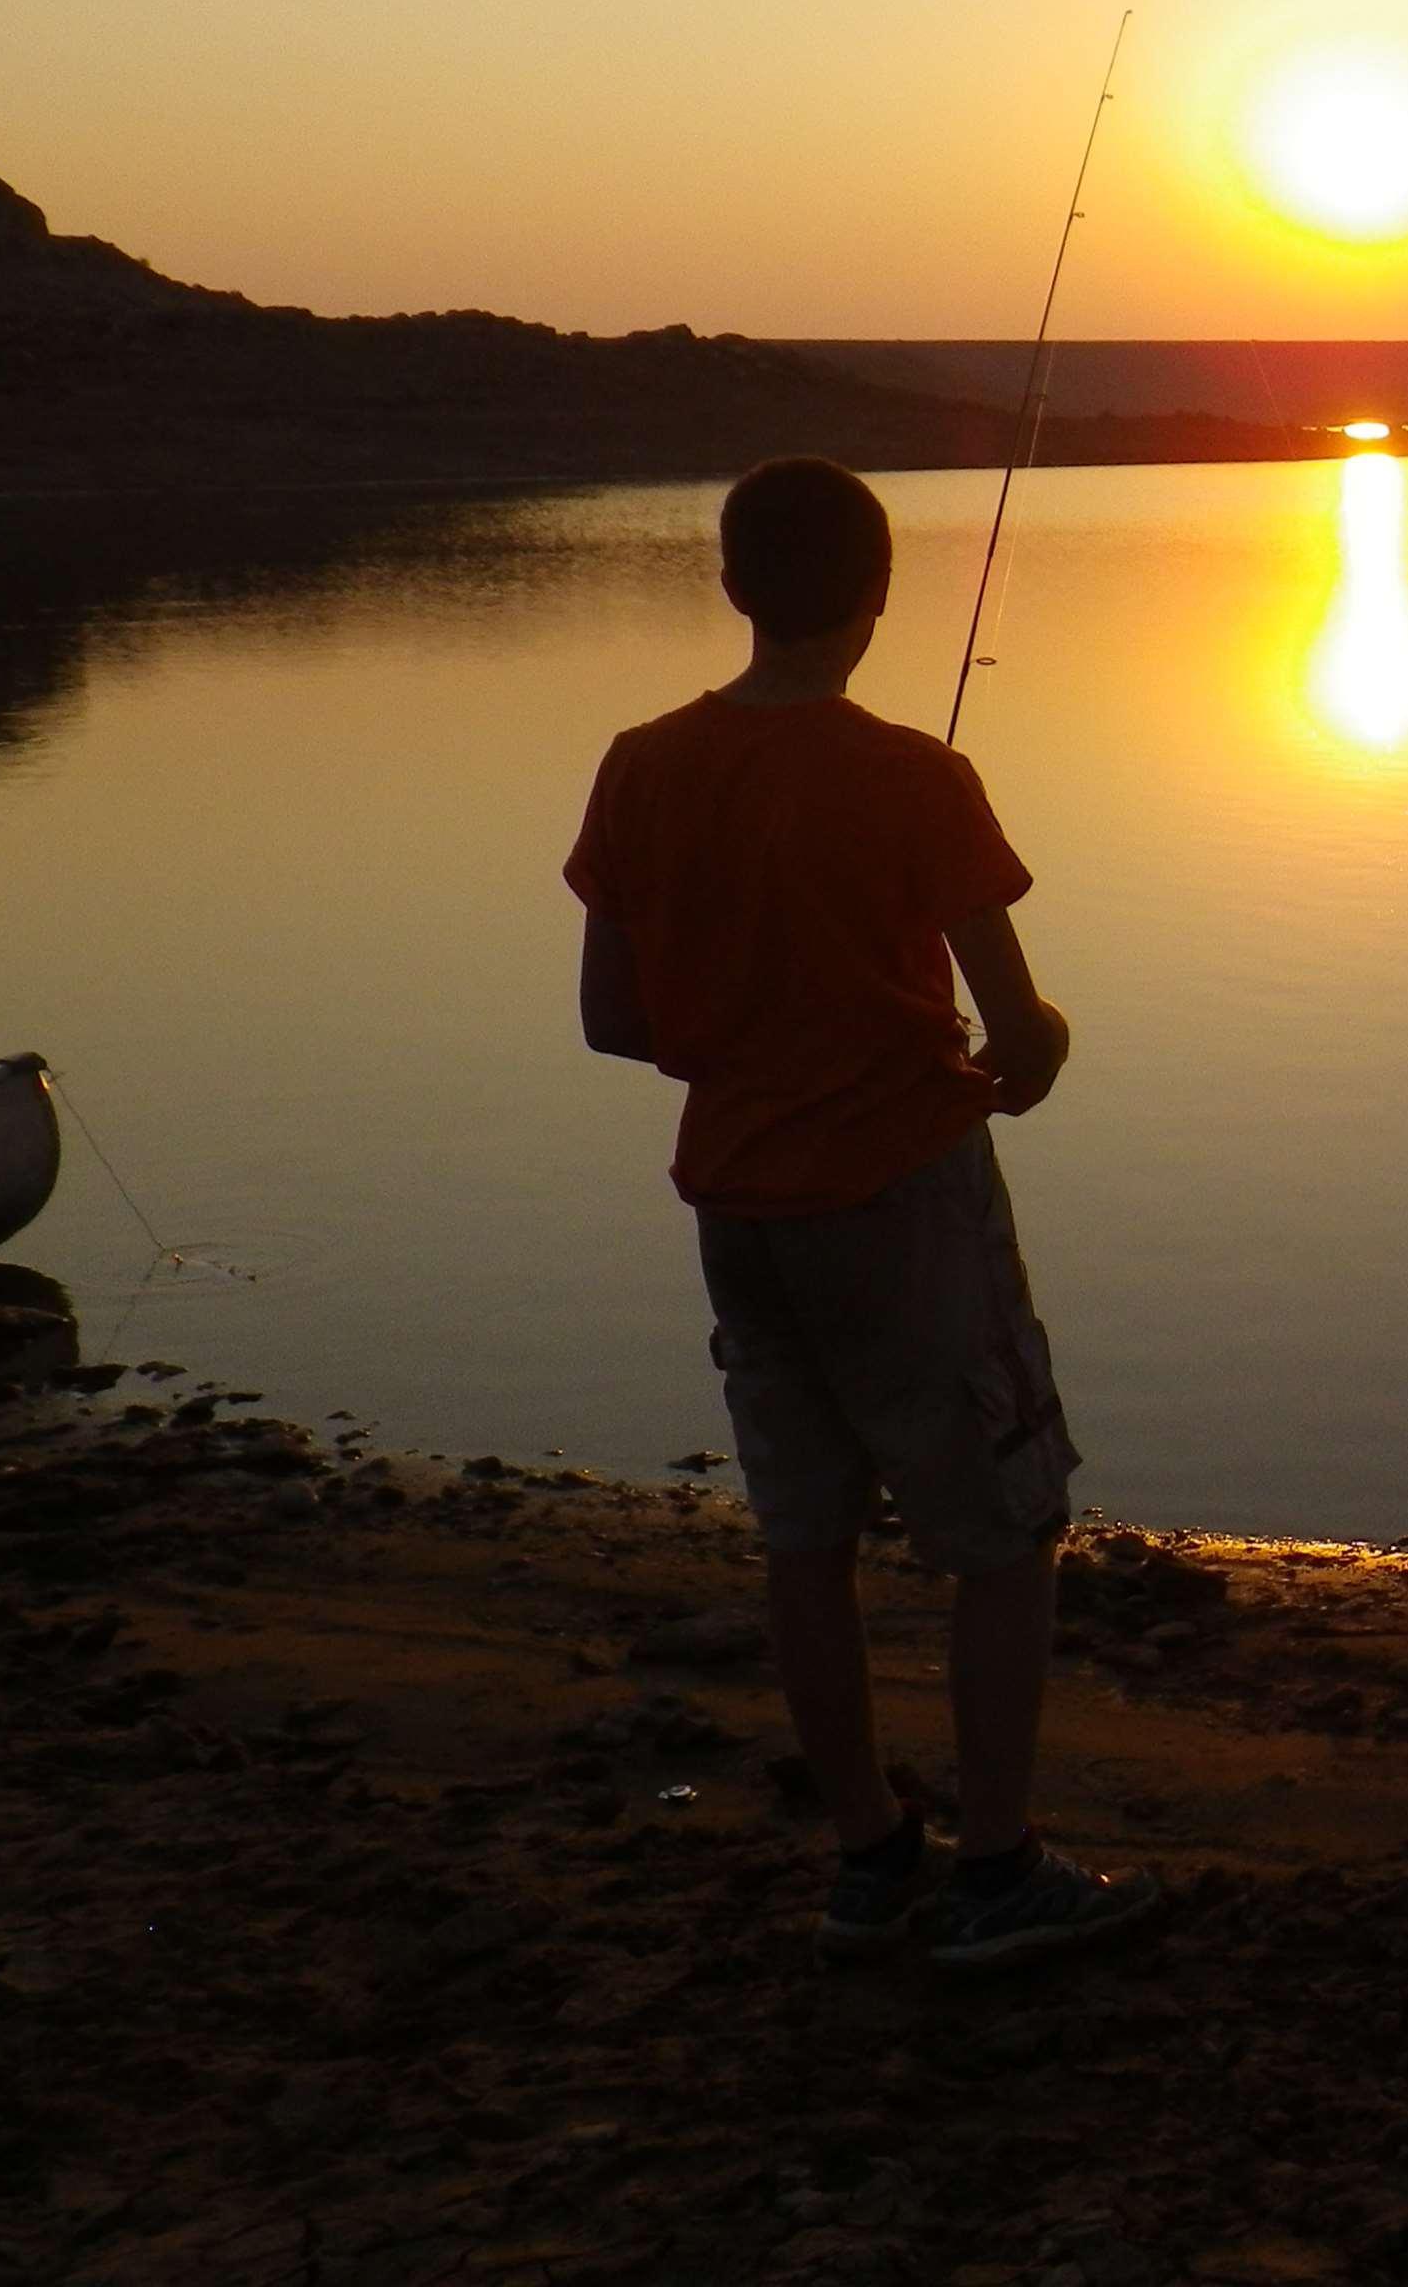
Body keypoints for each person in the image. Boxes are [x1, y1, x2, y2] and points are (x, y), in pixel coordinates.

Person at [565, 456, 1157, 1971]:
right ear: (879, 596)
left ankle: (868, 1857)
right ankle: (1000, 1867)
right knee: (1003, 1535)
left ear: (733, 587)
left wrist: (759, 1038)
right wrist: (1028, 1057)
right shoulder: (915, 777)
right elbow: (1016, 1036)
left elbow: (615, 1021)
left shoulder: (638, 764)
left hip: (737, 1206)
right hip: (899, 1204)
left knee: (805, 1537)